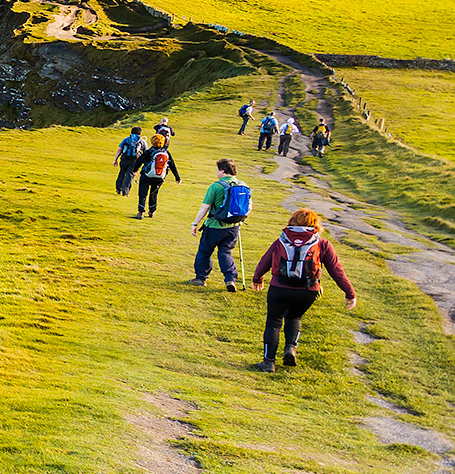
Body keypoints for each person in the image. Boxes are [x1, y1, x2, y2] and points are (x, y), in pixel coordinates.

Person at [249, 207, 356, 372]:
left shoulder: (281, 240)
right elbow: (337, 270)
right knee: (294, 317)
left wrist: (257, 278)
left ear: (292, 222)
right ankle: (290, 348)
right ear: (315, 225)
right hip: (307, 290)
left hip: (279, 288)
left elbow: (265, 260)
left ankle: (268, 362)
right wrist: (350, 293)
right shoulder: (322, 244)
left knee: (273, 323)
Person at [188, 158, 249, 291]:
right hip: (234, 227)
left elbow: (205, 207)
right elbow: (249, 207)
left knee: (204, 252)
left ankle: (200, 278)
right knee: (225, 252)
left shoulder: (216, 186)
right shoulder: (243, 185)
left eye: (217, 170)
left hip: (215, 226)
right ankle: (230, 279)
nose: (217, 173)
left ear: (222, 171)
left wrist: (195, 223)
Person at [137, 137, 180, 219]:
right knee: (154, 194)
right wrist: (177, 177)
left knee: (143, 194)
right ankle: (152, 211)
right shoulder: (166, 152)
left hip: (146, 176)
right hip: (159, 177)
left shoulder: (149, 152)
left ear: (152, 142)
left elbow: (139, 161)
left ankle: (141, 212)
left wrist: (135, 170)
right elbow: (172, 165)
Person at [113, 126, 147, 196]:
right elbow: (146, 153)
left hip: (124, 159)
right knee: (129, 176)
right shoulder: (142, 141)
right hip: (135, 161)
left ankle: (118, 189)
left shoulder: (126, 140)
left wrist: (115, 159)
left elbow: (120, 149)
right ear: (140, 133)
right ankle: (125, 192)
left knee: (121, 173)